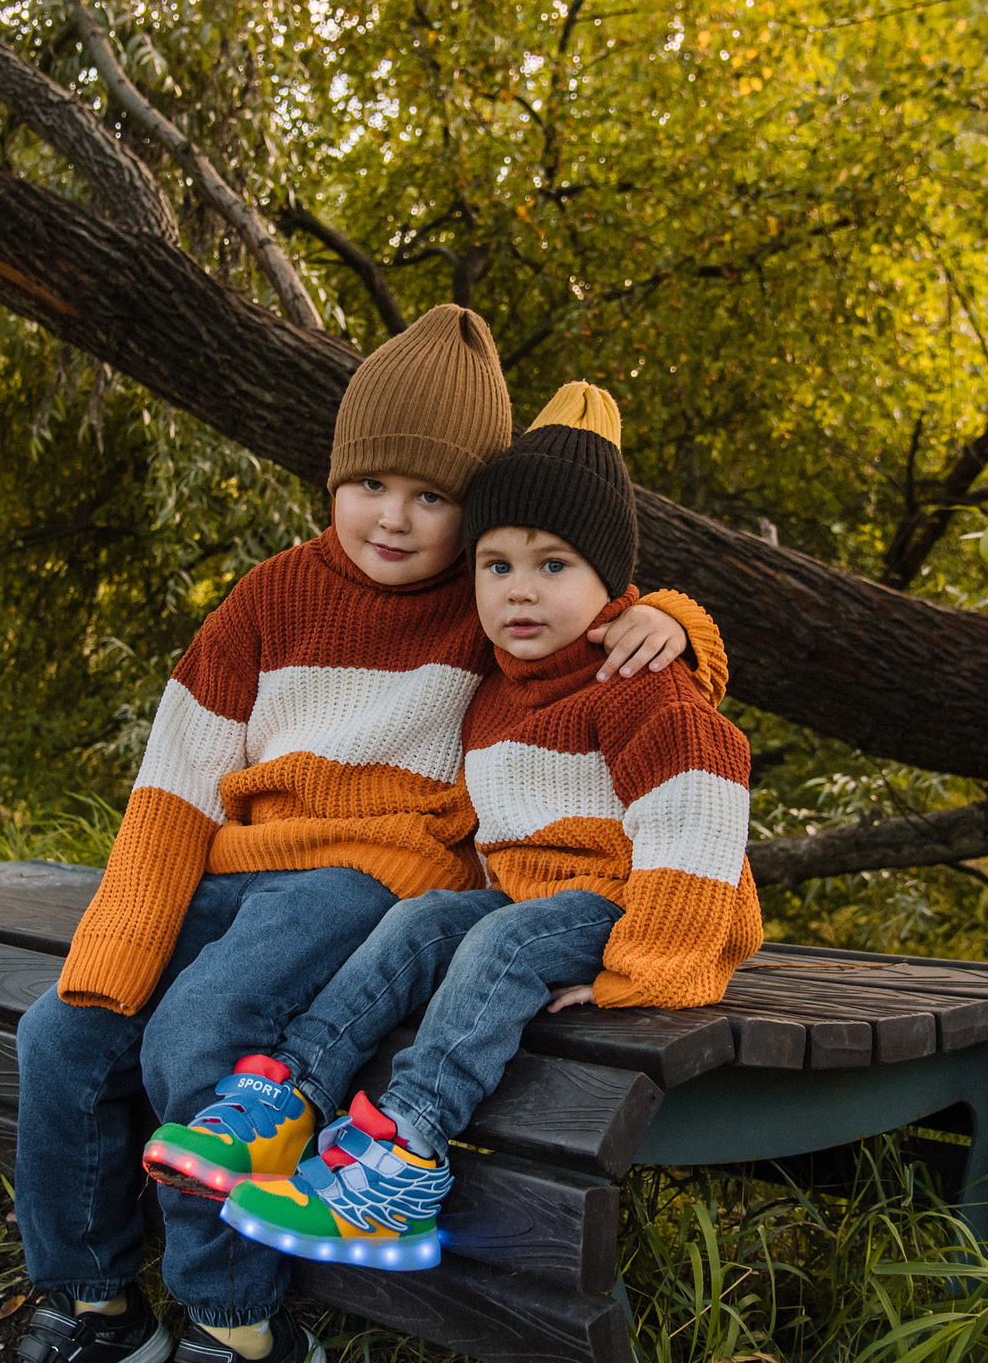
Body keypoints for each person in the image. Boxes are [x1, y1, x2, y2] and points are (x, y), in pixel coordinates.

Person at [0, 309, 721, 1363]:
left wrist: (677, 616)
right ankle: (94, 1305)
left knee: (198, 1036)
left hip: (373, 876)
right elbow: (170, 792)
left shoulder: (486, 604)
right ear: (333, 478)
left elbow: (601, 612)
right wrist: (108, 959)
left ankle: (236, 1341)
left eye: (430, 496)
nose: (391, 517)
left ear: (472, 516)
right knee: (62, 1035)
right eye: (367, 482)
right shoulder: (266, 600)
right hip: (234, 864)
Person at [206, 383, 760, 1268]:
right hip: (532, 896)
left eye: (554, 566)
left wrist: (648, 972)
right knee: (425, 919)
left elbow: (703, 818)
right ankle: (293, 1097)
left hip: (632, 899)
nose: (521, 592)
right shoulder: (500, 689)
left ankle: (404, 1159)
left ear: (614, 582)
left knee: (502, 942)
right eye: (496, 566)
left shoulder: (640, 682)